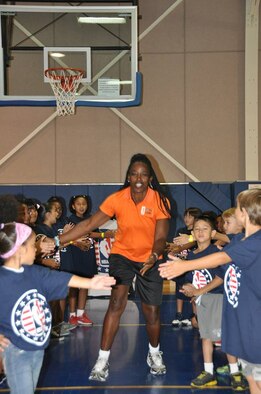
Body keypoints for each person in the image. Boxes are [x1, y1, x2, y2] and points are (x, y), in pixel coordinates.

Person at [57, 153, 171, 381]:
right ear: (128, 176)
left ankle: (154, 353)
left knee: (152, 311)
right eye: (134, 173)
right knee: (117, 301)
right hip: (122, 256)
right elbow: (89, 224)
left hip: (150, 257)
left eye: (144, 174)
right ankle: (102, 359)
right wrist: (58, 240)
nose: (139, 178)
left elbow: (161, 237)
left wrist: (154, 255)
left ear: (149, 178)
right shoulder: (117, 199)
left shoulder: (160, 201)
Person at [158, 188, 261, 394]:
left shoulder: (255, 243)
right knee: (252, 378)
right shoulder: (241, 242)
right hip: (243, 321)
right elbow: (222, 247)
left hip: (255, 324)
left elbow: (220, 258)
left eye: (238, 209)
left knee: (257, 377)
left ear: (245, 214)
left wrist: (184, 266)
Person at [0, 222, 115, 394]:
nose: (38, 249)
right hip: (16, 350)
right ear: (20, 249)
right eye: (34, 245)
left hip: (37, 348)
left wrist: (91, 282)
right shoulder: (3, 280)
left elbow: (63, 279)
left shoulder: (34, 273)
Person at [180, 215, 223, 388]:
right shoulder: (191, 255)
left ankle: (236, 370)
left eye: (205, 228)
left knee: (227, 337)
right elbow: (191, 278)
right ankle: (209, 371)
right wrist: (188, 287)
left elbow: (220, 277)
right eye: (197, 229)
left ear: (213, 233)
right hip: (202, 301)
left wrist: (198, 291)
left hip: (219, 299)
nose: (200, 231)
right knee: (205, 336)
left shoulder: (217, 252)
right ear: (192, 232)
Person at [172, 207, 202, 328]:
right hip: (181, 264)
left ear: (196, 218)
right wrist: (173, 249)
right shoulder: (181, 230)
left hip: (193, 265)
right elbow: (175, 245)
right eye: (185, 216)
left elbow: (195, 243)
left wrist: (182, 246)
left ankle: (194, 315)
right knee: (179, 288)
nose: (186, 219)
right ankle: (179, 314)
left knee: (193, 289)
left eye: (189, 216)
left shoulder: (197, 232)